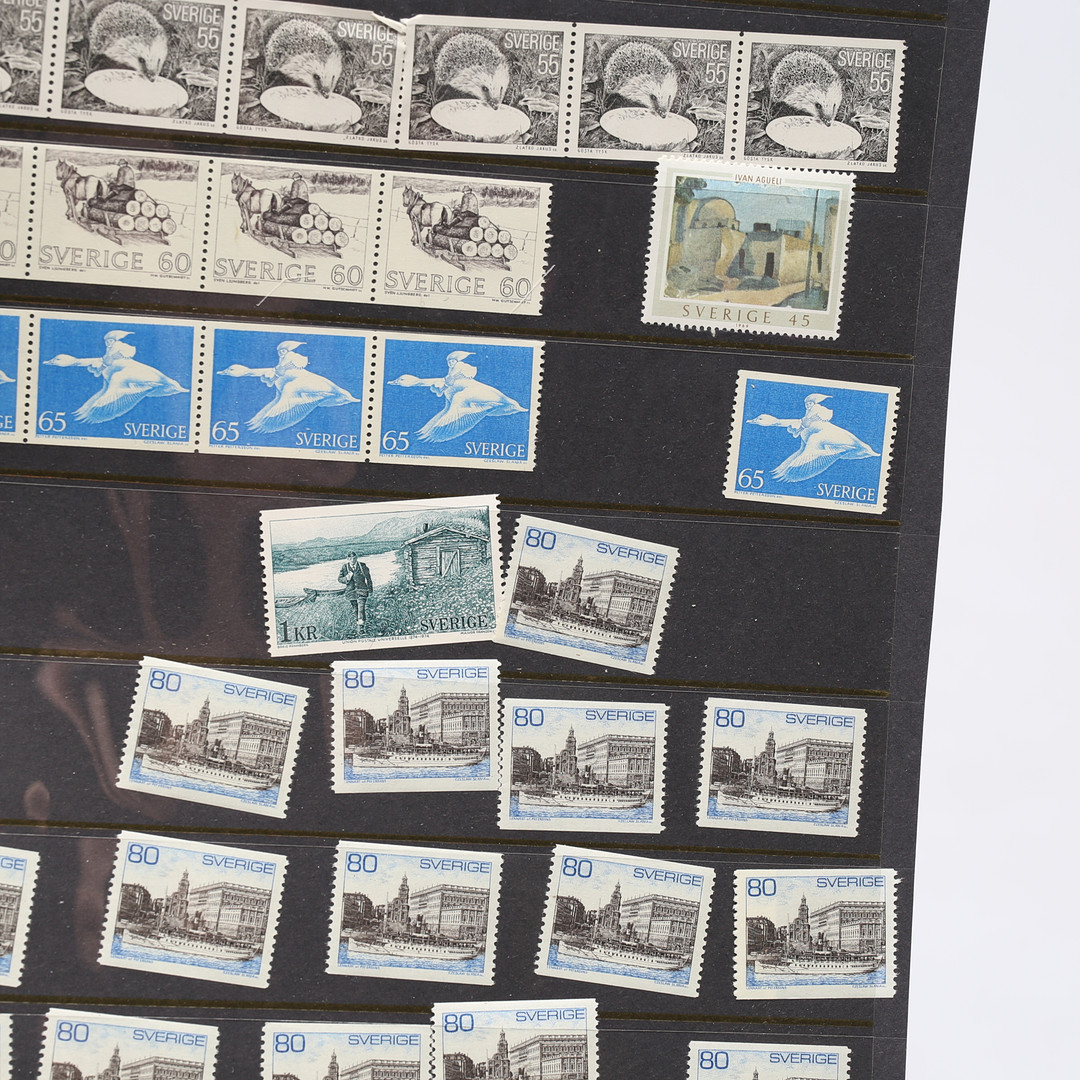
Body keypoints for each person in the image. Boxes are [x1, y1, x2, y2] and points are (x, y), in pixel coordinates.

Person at [338, 551, 373, 631]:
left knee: (361, 608)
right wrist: (346, 578)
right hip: (351, 592)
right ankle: (360, 623)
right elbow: (339, 579)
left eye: (354, 558)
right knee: (355, 609)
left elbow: (368, 578)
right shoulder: (345, 567)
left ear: (356, 557)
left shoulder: (362, 566)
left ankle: (361, 627)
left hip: (362, 591)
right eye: (350, 558)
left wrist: (370, 590)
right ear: (347, 559)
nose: (352, 560)